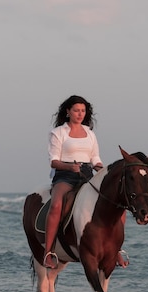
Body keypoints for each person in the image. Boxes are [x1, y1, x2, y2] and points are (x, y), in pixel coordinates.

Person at [43, 95, 129, 269]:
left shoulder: (90, 133)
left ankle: (116, 249)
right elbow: (54, 161)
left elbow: (95, 157)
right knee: (57, 205)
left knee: (119, 206)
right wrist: (69, 168)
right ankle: (49, 252)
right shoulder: (58, 133)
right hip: (65, 176)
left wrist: (99, 167)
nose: (80, 114)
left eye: (83, 111)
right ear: (68, 112)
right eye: (76, 110)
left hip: (87, 175)